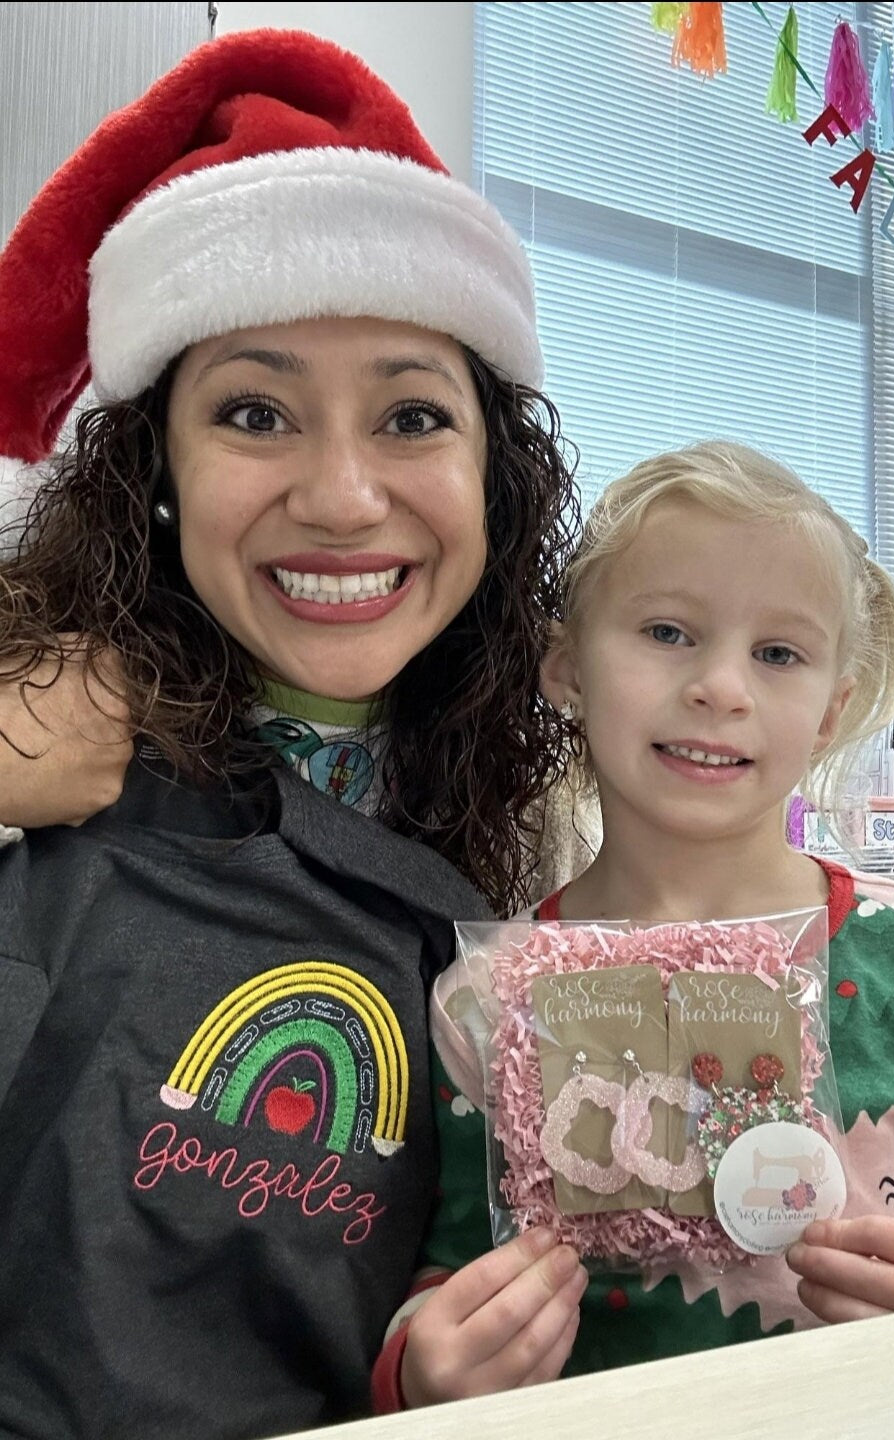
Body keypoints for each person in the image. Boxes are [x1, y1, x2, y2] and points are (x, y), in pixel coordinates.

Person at [0, 29, 589, 1440]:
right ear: (157, 470)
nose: (340, 497)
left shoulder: (540, 805)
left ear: (491, 480)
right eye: (256, 412)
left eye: (409, 417)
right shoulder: (42, 723)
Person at [383, 442, 894, 1409]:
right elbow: (449, 1270)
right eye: (667, 630)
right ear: (566, 667)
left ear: (833, 710)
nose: (722, 686)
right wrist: (426, 1365)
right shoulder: (489, 996)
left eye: (779, 653)